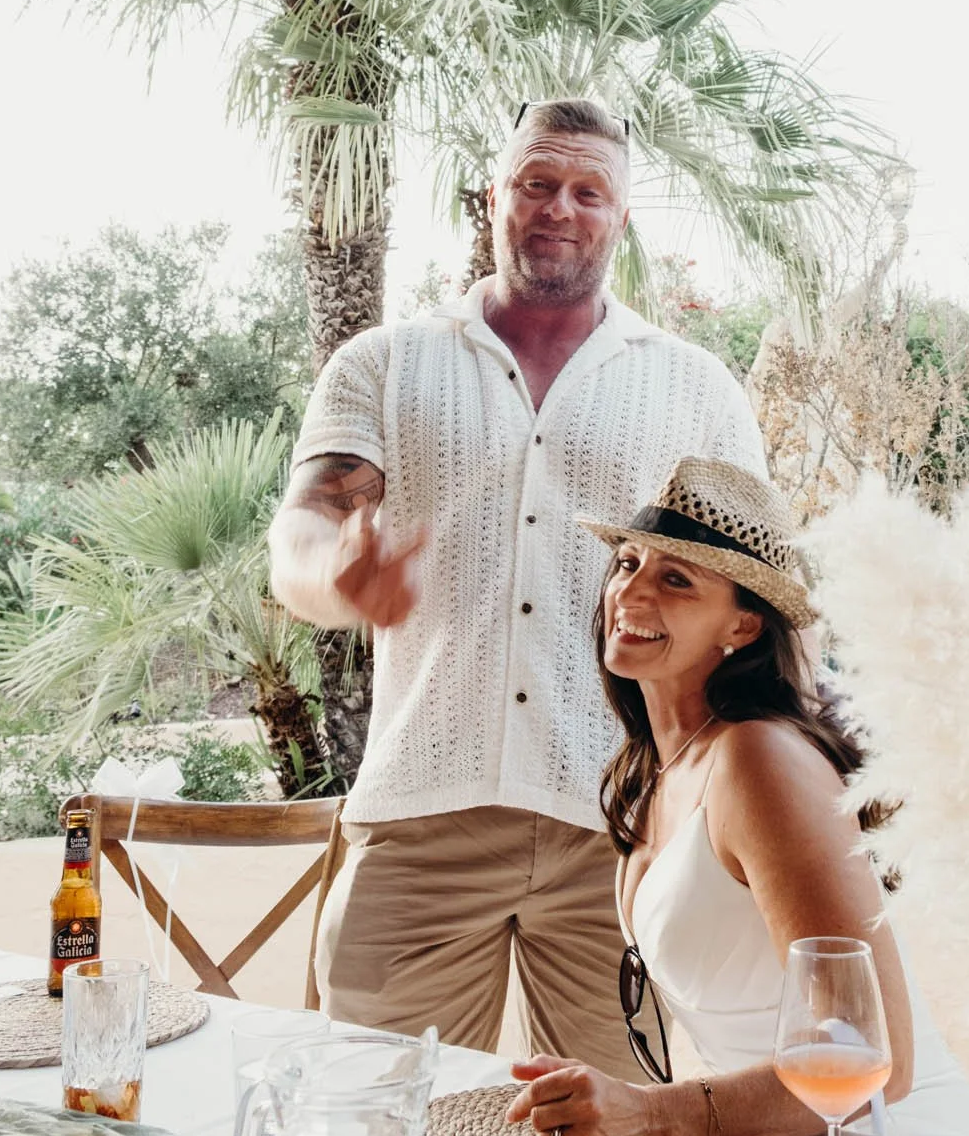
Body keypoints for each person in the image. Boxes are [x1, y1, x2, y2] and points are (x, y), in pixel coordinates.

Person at [267, 100, 767, 1076]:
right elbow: (304, 531)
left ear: (621, 217)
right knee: (364, 1129)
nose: (560, 207)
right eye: (537, 182)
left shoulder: (698, 386)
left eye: (590, 190)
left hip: (628, 829)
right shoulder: (383, 361)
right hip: (419, 820)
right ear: (493, 196)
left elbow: (755, 589)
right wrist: (334, 572)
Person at [506, 456, 969, 1136]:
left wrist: (652, 1121)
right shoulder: (657, 765)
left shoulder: (759, 759)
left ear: (741, 627)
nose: (630, 591)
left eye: (675, 579)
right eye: (626, 562)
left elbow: (876, 1059)